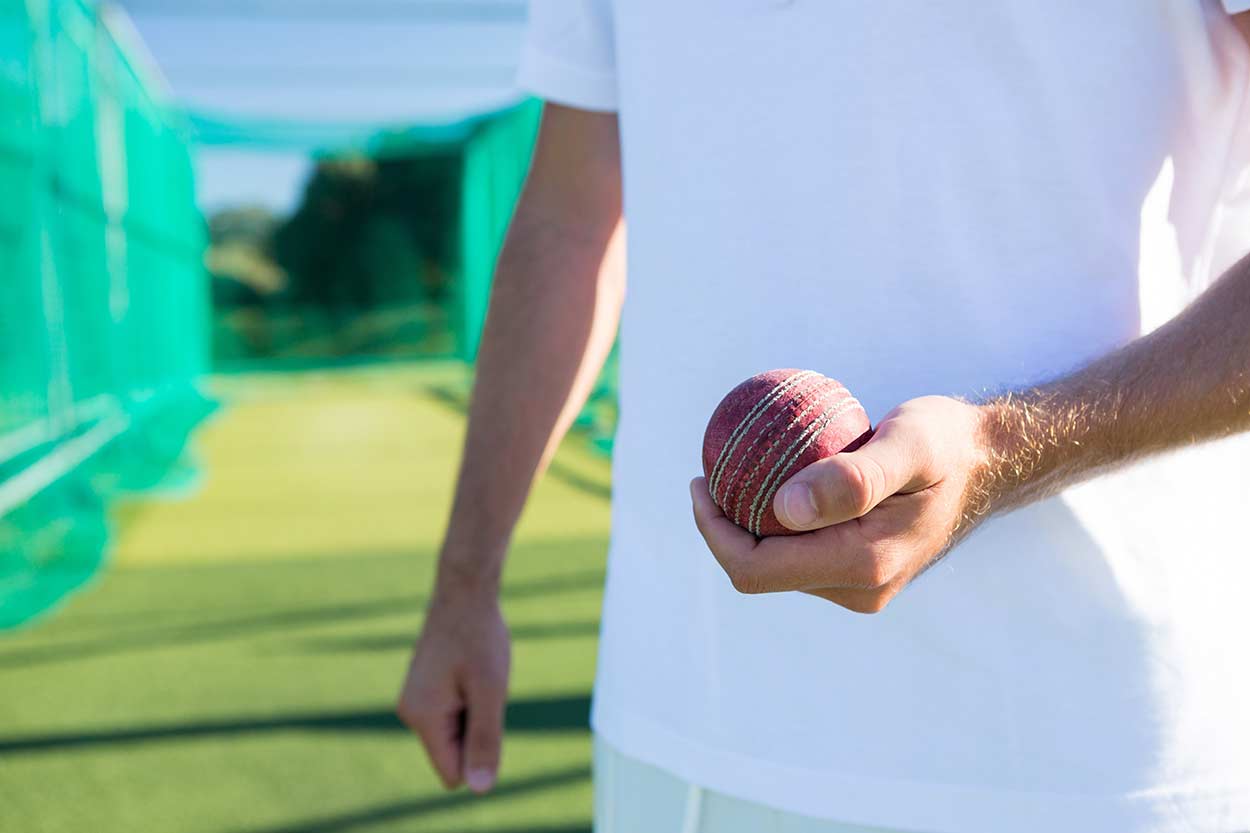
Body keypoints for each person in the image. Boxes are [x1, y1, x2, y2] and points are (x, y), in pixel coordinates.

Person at [397, 2, 1250, 831]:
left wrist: (999, 451)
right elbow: (569, 220)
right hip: (675, 718)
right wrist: (465, 581)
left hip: (1072, 752)